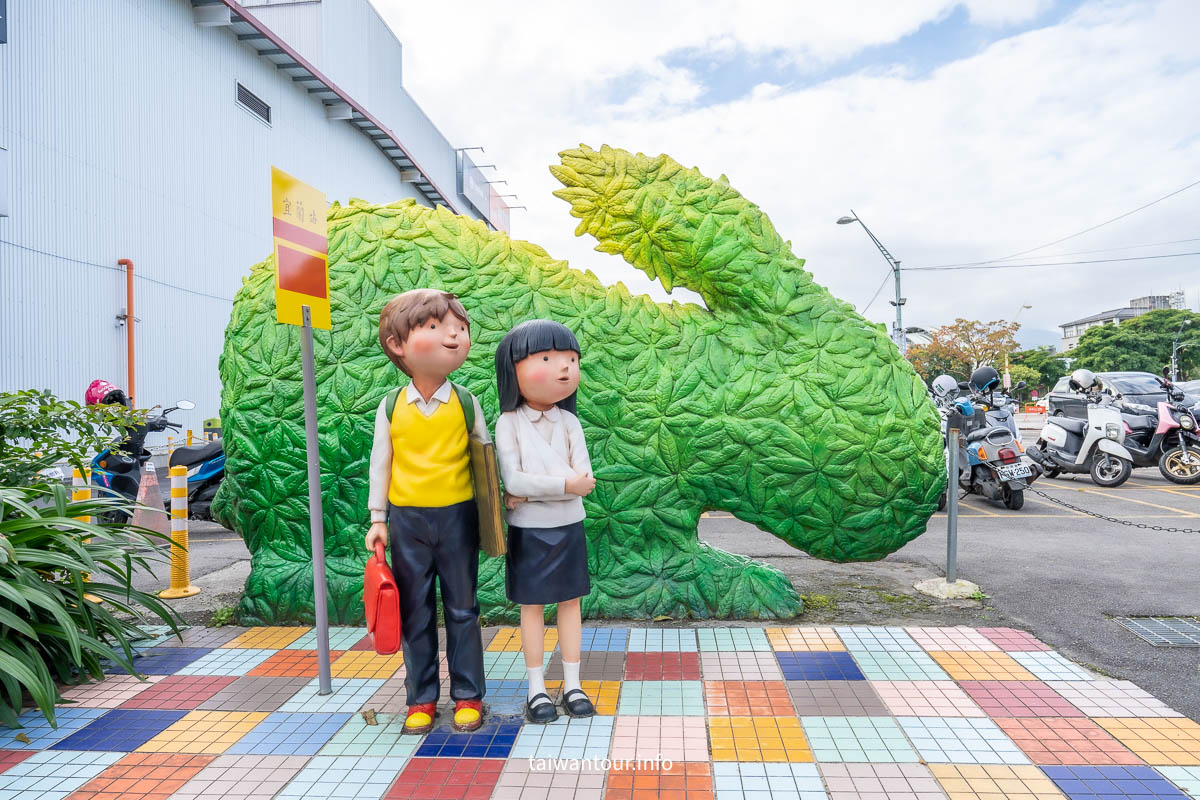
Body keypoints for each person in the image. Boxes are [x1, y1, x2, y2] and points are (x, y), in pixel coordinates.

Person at [364, 288, 490, 735]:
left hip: (458, 517)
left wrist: (500, 506)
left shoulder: (467, 403)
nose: (453, 337)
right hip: (408, 522)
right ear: (398, 345)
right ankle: (420, 698)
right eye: (436, 328)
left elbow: (487, 464)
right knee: (414, 611)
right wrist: (378, 519)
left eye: (460, 328)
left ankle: (468, 694)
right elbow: (382, 462)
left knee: (463, 609)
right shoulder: (391, 406)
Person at [493, 319, 596, 723]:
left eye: (571, 358)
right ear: (512, 368)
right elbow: (512, 478)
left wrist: (532, 491)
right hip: (529, 531)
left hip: (569, 525)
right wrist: (562, 483)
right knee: (532, 606)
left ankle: (573, 684)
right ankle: (536, 688)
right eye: (548, 358)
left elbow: (584, 482)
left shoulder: (570, 423)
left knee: (571, 603)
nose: (565, 367)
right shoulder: (509, 422)